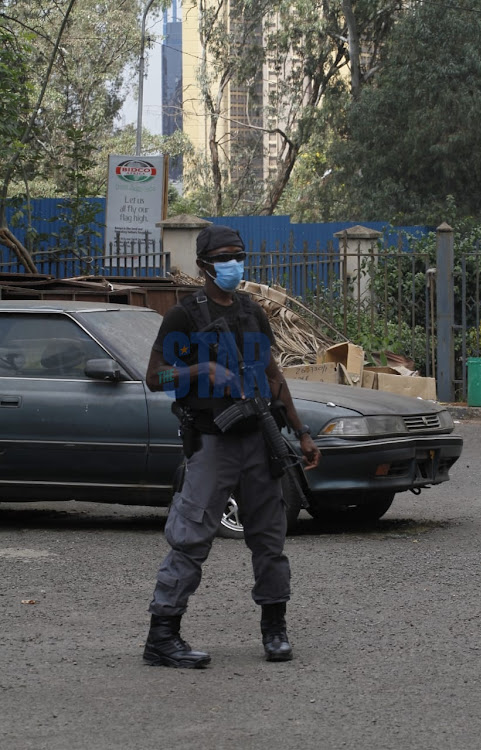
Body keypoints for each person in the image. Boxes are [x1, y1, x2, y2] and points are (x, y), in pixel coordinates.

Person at [143, 224, 321, 668]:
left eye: (238, 256)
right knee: (190, 538)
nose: (233, 265)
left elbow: (274, 375)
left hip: (258, 442)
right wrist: (201, 371)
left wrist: (300, 432)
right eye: (224, 258)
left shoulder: (251, 311)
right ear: (204, 265)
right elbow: (155, 378)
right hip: (212, 444)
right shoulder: (183, 316)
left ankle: (274, 629)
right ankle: (162, 637)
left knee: (270, 541)